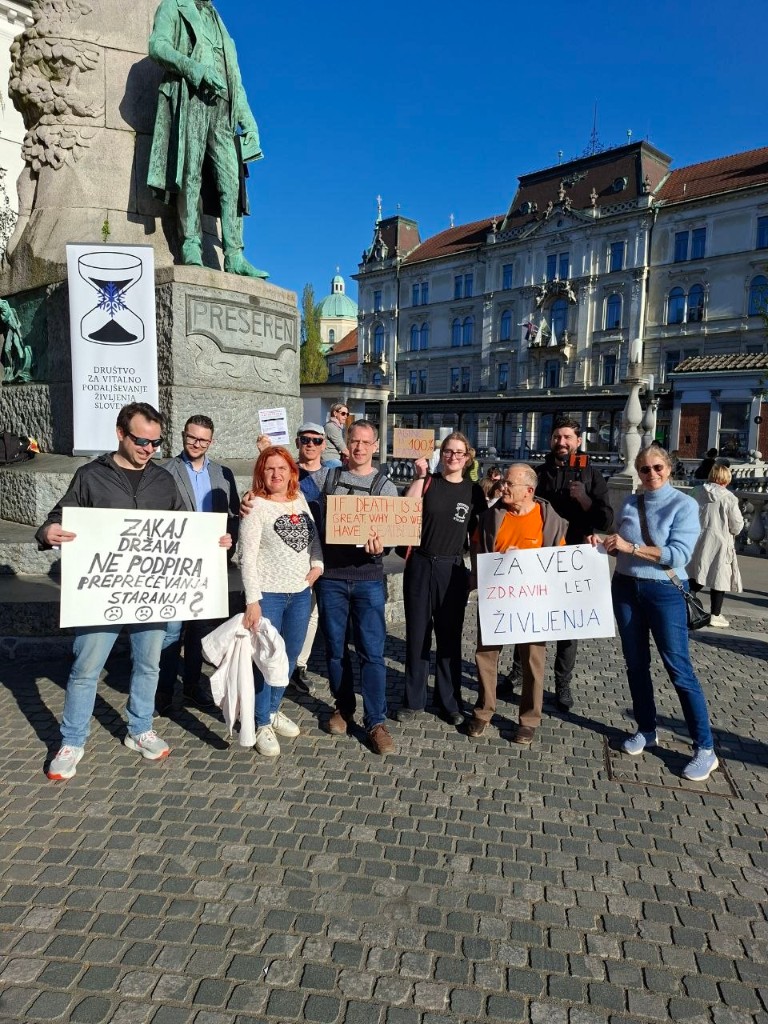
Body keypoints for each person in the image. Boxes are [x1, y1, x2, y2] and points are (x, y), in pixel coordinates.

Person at [36, 402, 230, 781]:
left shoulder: (163, 481)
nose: (148, 449)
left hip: (151, 593)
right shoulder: (91, 476)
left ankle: (139, 729)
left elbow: (184, 531)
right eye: (142, 440)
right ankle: (72, 740)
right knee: (85, 669)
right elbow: (58, 516)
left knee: (148, 664)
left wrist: (213, 542)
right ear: (120, 433)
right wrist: (47, 532)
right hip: (101, 595)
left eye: (156, 443)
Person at [589, 446, 718, 782]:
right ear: (637, 471)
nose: (651, 474)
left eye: (657, 467)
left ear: (669, 468)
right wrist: (602, 542)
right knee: (635, 663)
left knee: (679, 668)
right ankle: (646, 729)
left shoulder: (684, 504)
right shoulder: (632, 502)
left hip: (664, 592)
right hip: (626, 587)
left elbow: (677, 555)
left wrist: (630, 548)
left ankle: (705, 747)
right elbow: (620, 541)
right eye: (644, 469)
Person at [499, 418, 614, 710]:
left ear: (577, 441)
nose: (561, 442)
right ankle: (517, 671)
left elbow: (605, 519)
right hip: (539, 557)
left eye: (567, 437)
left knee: (567, 625)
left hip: (574, 557)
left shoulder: (592, 475)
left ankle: (563, 684)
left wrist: (585, 499)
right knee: (527, 618)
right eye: (556, 437)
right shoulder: (539, 474)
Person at [147, 0, 267, 277]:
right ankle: (191, 244)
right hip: (193, 98)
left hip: (224, 110)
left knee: (232, 182)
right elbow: (157, 46)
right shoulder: (174, 7)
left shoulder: (219, 21)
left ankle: (235, 255)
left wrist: (248, 122)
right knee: (191, 173)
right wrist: (196, 70)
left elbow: (234, 77)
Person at [314, 420, 399, 754]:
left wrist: (384, 545)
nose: (360, 447)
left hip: (368, 579)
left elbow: (394, 533)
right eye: (355, 441)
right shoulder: (327, 478)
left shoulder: (385, 486)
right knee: (335, 649)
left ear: (375, 446)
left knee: (372, 652)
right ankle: (344, 707)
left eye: (366, 442)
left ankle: (376, 721)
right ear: (346, 444)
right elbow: (290, 495)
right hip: (332, 577)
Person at [469, 464, 568, 745]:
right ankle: (484, 711)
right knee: (486, 655)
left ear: (529, 491)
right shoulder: (491, 515)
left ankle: (529, 719)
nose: (502, 486)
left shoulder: (548, 520)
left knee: (533, 662)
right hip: (497, 599)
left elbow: (559, 560)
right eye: (503, 481)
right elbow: (477, 548)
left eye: (509, 483)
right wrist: (493, 565)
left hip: (532, 603)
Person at [397, 432, 487, 726]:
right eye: (448, 451)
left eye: (459, 453)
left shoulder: (473, 492)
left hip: (453, 568)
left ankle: (449, 700)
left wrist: (476, 570)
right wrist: (419, 476)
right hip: (421, 564)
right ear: (441, 454)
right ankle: (413, 699)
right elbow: (405, 513)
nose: (453, 457)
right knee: (418, 636)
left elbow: (477, 537)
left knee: (449, 637)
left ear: (467, 456)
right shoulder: (428, 483)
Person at [239, 446, 323, 756]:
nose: (276, 474)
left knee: (289, 658)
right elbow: (247, 560)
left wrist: (318, 565)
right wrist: (252, 601)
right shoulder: (255, 506)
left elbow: (314, 540)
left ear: (291, 472)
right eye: (269, 468)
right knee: (265, 661)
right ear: (261, 472)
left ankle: (273, 709)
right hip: (269, 596)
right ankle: (260, 721)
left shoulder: (299, 500)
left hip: (300, 593)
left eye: (282, 468)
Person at [156, 414, 239, 713]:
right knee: (171, 631)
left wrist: (229, 546)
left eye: (203, 439)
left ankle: (191, 686)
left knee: (197, 631)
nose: (196, 443)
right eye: (192, 437)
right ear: (182, 436)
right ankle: (163, 691)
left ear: (211, 441)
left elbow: (233, 516)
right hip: (175, 563)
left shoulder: (223, 473)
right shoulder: (164, 471)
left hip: (209, 563)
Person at [255, 422, 327, 694]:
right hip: (280, 571)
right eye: (305, 439)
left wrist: (318, 562)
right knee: (274, 640)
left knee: (311, 616)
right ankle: (268, 702)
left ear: (323, 443)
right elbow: (268, 481)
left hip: (318, 555)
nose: (311, 444)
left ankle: (300, 665)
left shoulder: (331, 473)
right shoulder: (287, 470)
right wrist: (267, 451)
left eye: (317, 440)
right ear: (297, 442)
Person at [687, 464, 744, 628]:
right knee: (719, 577)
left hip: (697, 538)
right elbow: (737, 525)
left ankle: (688, 602)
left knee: (696, 572)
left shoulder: (696, 491)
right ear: (726, 479)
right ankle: (715, 614)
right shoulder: (729, 498)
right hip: (720, 542)